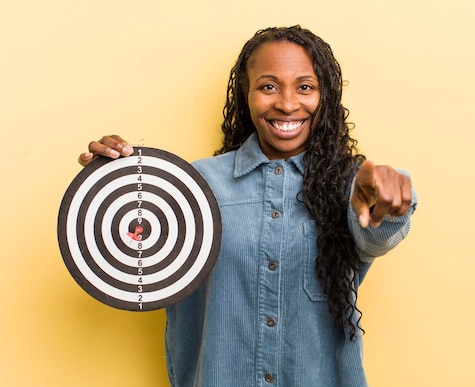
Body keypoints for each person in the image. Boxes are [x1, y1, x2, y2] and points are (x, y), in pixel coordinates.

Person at [78, 25, 417, 387]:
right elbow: (133, 261)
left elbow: (375, 239)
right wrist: (113, 187)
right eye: (268, 86)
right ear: (246, 93)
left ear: (326, 96)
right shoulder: (190, 186)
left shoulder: (350, 187)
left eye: (305, 87)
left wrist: (389, 204)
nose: (287, 103)